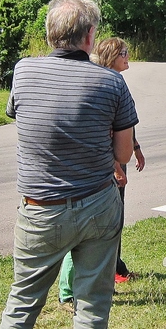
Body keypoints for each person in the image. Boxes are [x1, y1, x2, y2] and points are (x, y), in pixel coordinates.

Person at [0, 0, 138, 329]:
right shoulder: (111, 83)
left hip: (39, 209)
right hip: (97, 205)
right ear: (90, 36)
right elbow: (123, 154)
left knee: (22, 300)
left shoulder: (24, 71)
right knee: (93, 301)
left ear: (51, 34)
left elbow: (24, 118)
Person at [58, 37, 145, 305]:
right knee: (91, 230)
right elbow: (104, 135)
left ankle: (109, 274)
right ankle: (71, 291)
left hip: (113, 164)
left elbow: (124, 126)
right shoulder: (103, 84)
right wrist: (116, 167)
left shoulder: (115, 82)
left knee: (110, 225)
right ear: (111, 56)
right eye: (123, 52)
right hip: (103, 168)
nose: (128, 56)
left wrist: (136, 148)